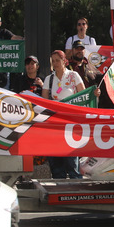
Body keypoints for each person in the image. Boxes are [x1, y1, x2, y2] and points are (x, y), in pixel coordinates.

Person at [42, 50, 85, 179]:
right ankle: (58, 180)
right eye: (53, 61)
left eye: (57, 60)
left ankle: (75, 182)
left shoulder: (73, 75)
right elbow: (44, 102)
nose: (55, 63)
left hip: (70, 121)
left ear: (64, 61)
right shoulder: (48, 79)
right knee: (55, 155)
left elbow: (83, 96)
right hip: (54, 121)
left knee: (71, 155)